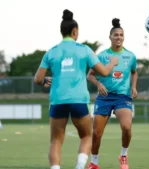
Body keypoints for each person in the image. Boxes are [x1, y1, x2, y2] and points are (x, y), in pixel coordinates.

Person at [34, 9, 119, 169]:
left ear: (61, 32)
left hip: (58, 100)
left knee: (56, 140)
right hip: (79, 100)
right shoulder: (84, 50)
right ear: (74, 32)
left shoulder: (51, 52)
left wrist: (46, 80)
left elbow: (38, 79)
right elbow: (105, 72)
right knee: (87, 136)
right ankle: (79, 167)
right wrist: (113, 63)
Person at [86, 18, 138, 169]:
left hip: (122, 97)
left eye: (121, 35)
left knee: (127, 127)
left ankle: (123, 155)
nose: (119, 37)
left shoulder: (130, 56)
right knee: (96, 133)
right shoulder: (102, 56)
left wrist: (134, 87)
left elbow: (134, 72)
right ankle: (94, 163)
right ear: (110, 37)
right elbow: (90, 75)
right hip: (104, 97)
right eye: (116, 35)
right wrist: (99, 83)